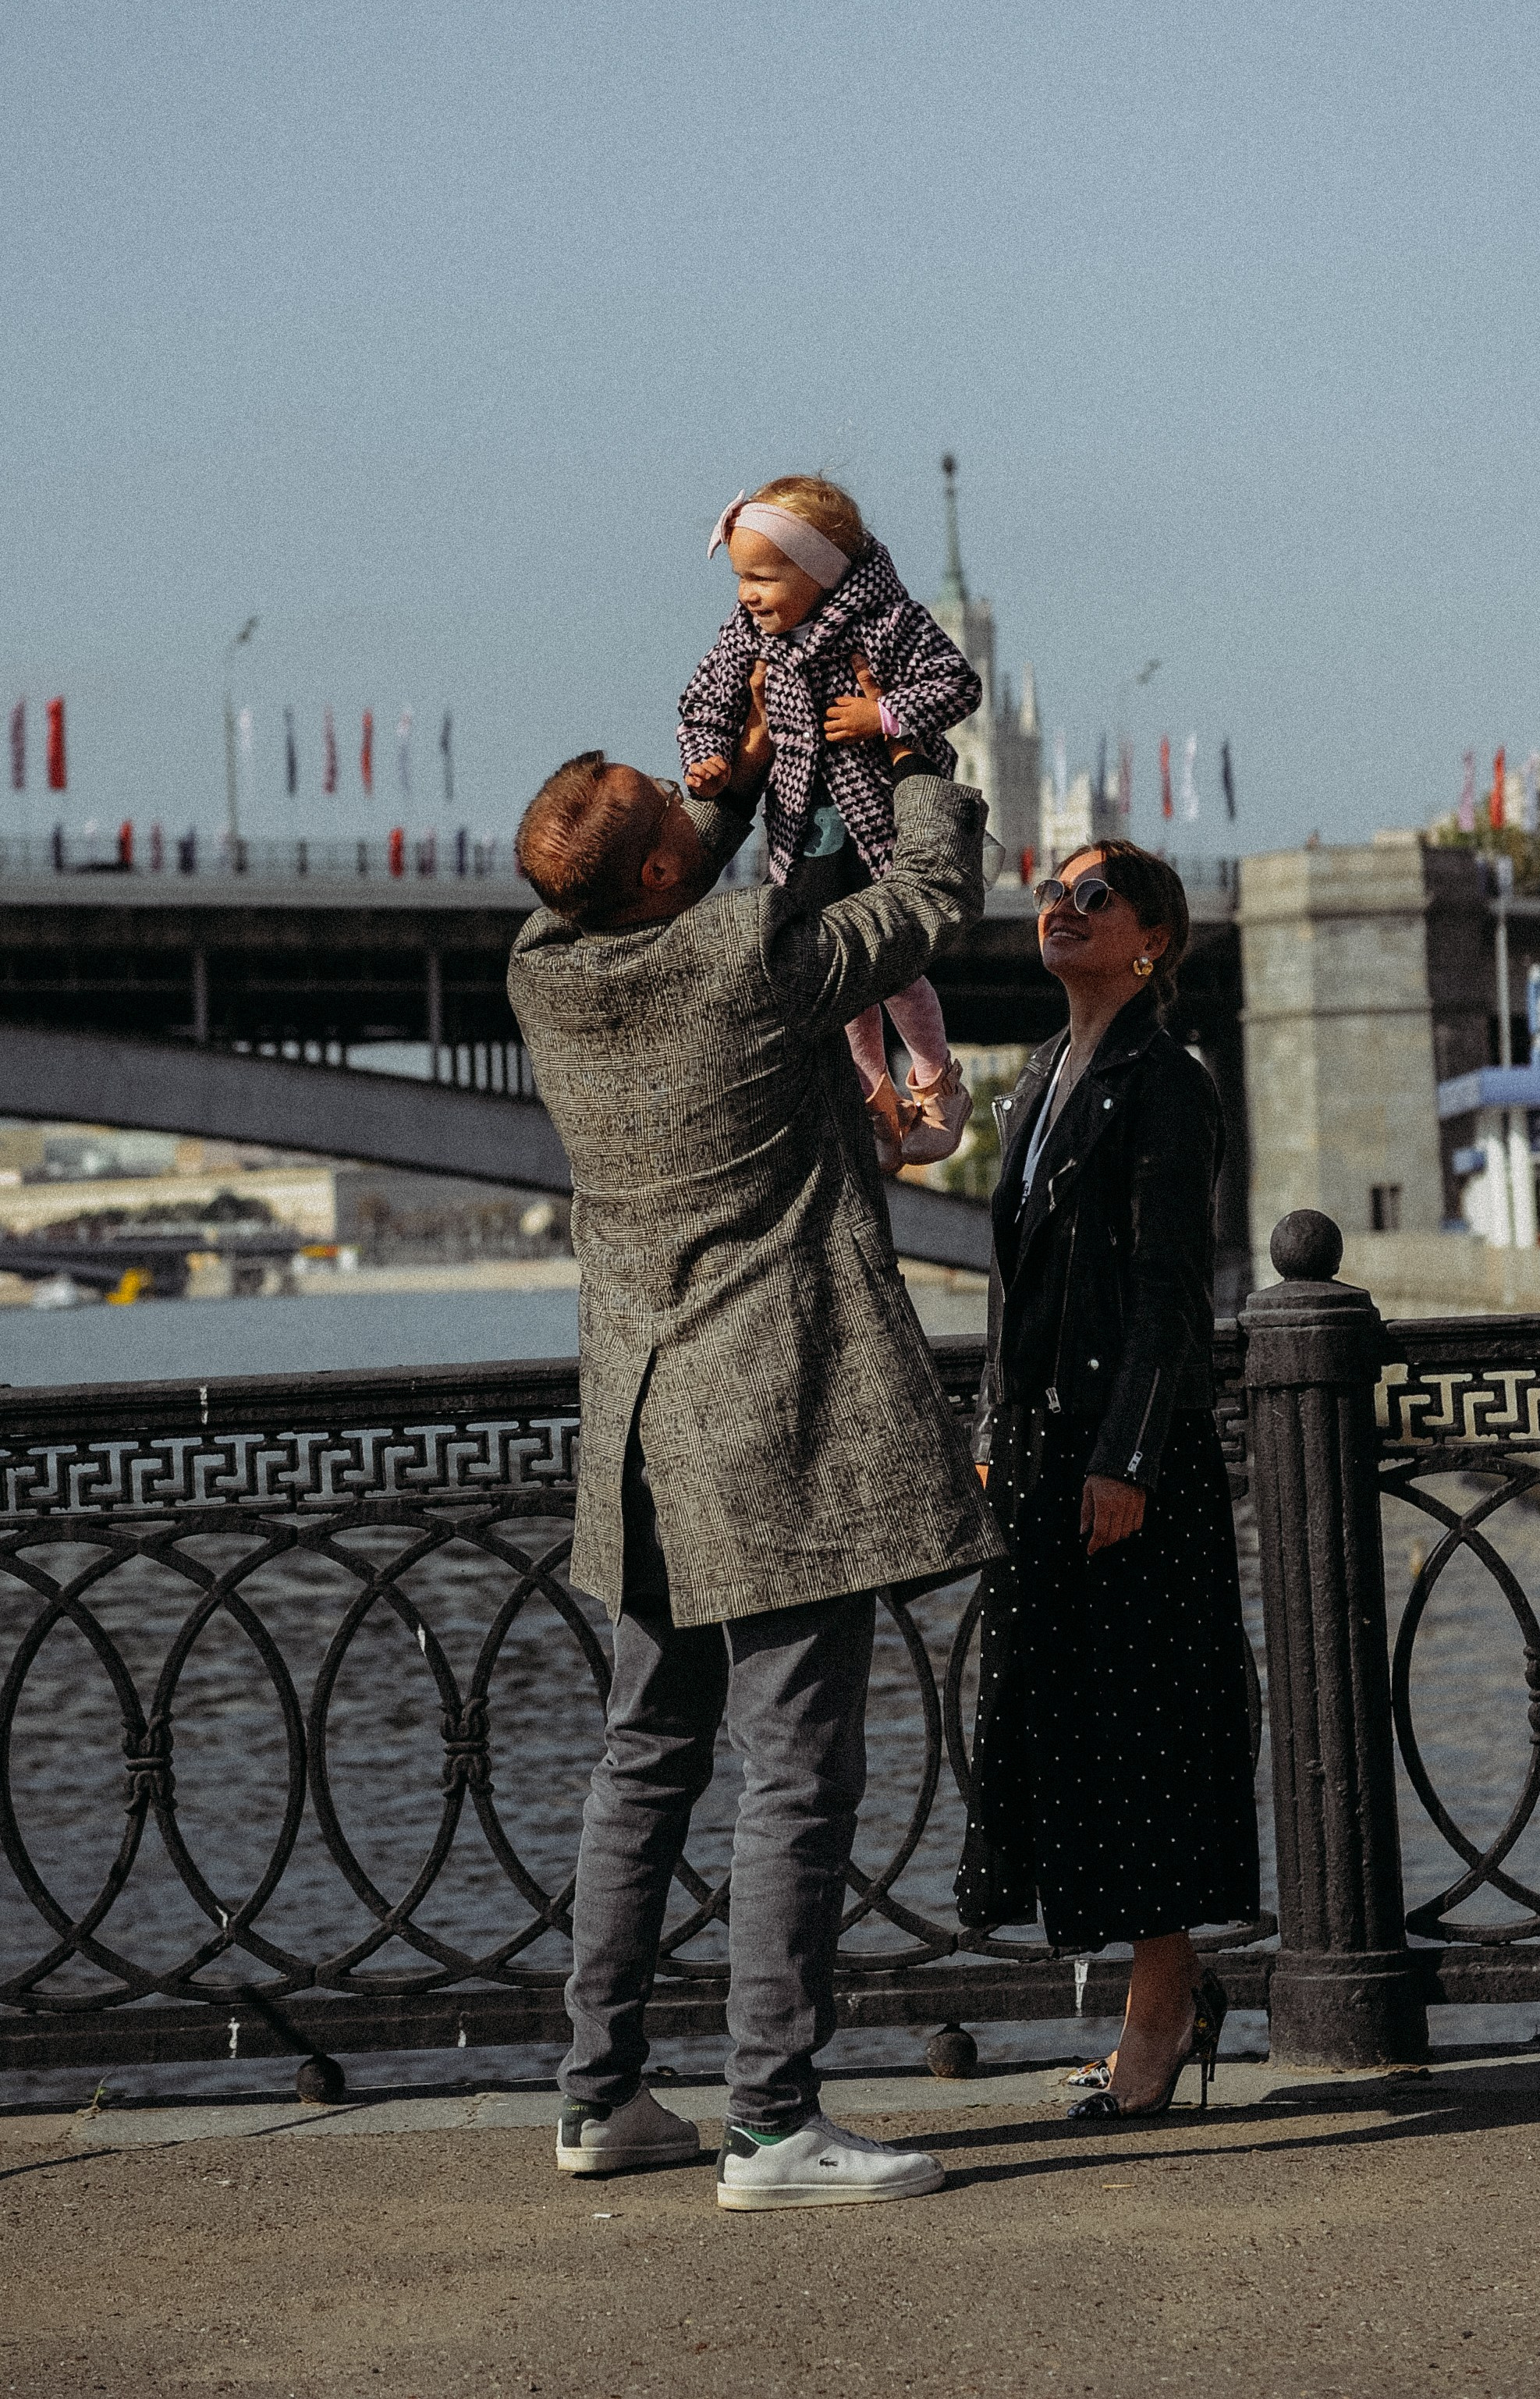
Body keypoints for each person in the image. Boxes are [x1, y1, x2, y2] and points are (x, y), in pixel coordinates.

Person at [508, 673, 1004, 2209]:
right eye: (674, 812)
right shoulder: (753, 951)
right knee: (798, 1771)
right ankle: (774, 2126)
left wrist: (717, 784)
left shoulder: (542, 964)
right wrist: (905, 755)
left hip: (641, 1435)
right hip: (780, 1423)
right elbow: (925, 899)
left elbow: (669, 858)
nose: (693, 807)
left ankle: (600, 2099)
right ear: (665, 872)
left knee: (644, 1758)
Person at [954, 839, 1261, 2120]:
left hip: (1124, 1457)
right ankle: (1168, 2000)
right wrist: (992, 1424)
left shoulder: (1168, 1081)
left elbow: (1169, 1295)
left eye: (1096, 896)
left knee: (1144, 1746)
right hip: (1043, 1449)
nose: (1061, 909)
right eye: (1053, 893)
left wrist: (1126, 1456)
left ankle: (1157, 2025)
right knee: (1072, 1732)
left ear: (1154, 941)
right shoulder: (1040, 1075)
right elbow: (1018, 1277)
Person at [680, 474, 981, 1173]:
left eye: (762, 577)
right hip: (800, 827)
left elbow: (957, 685)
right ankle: (872, 1094)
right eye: (739, 578)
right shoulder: (748, 636)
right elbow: (704, 703)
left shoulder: (890, 623)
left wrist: (881, 717)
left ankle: (936, 1079)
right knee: (831, 963)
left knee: (896, 963)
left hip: (882, 823)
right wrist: (707, 761)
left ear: (817, 572)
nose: (745, 595)